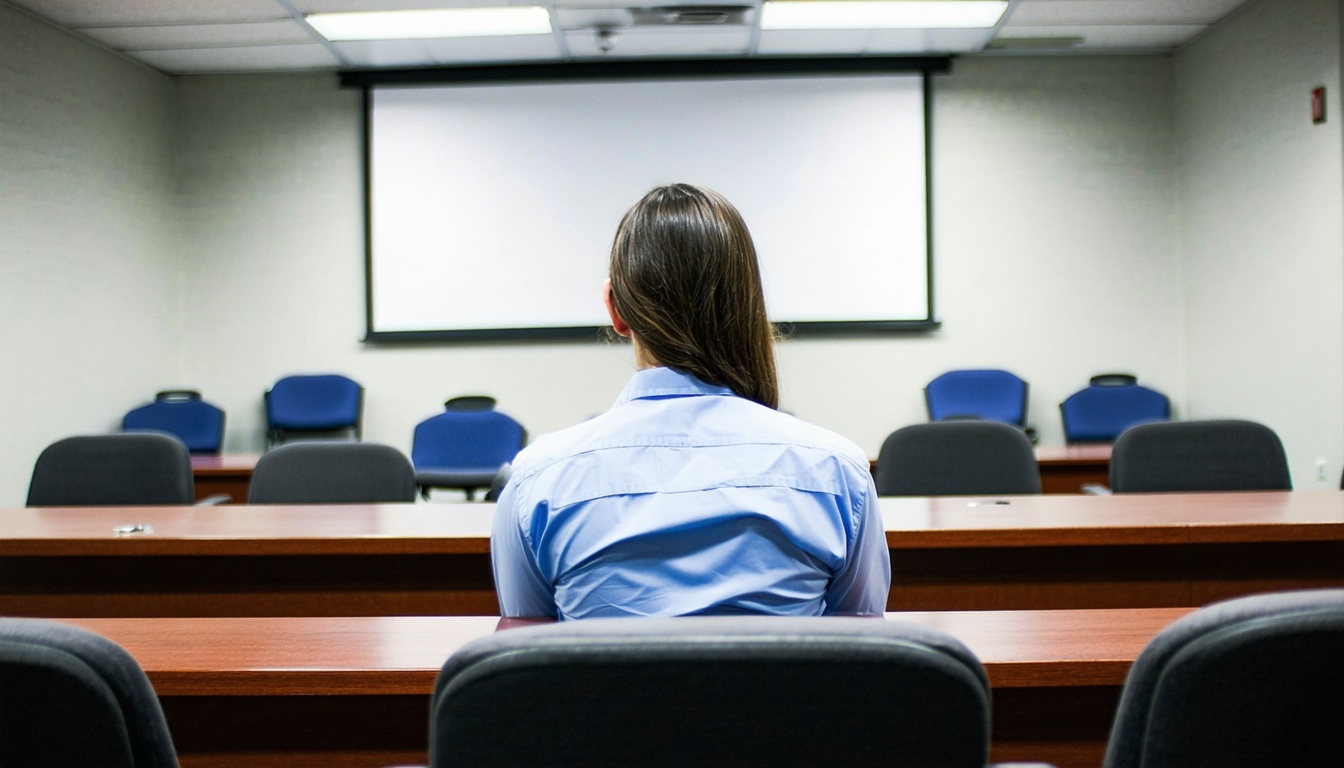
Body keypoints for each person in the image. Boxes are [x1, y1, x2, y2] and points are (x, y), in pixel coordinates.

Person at [491, 183, 890, 619]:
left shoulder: (536, 483)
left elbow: (528, 656)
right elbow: (858, 650)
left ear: (616, 311)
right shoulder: (838, 475)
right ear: (751, 306)